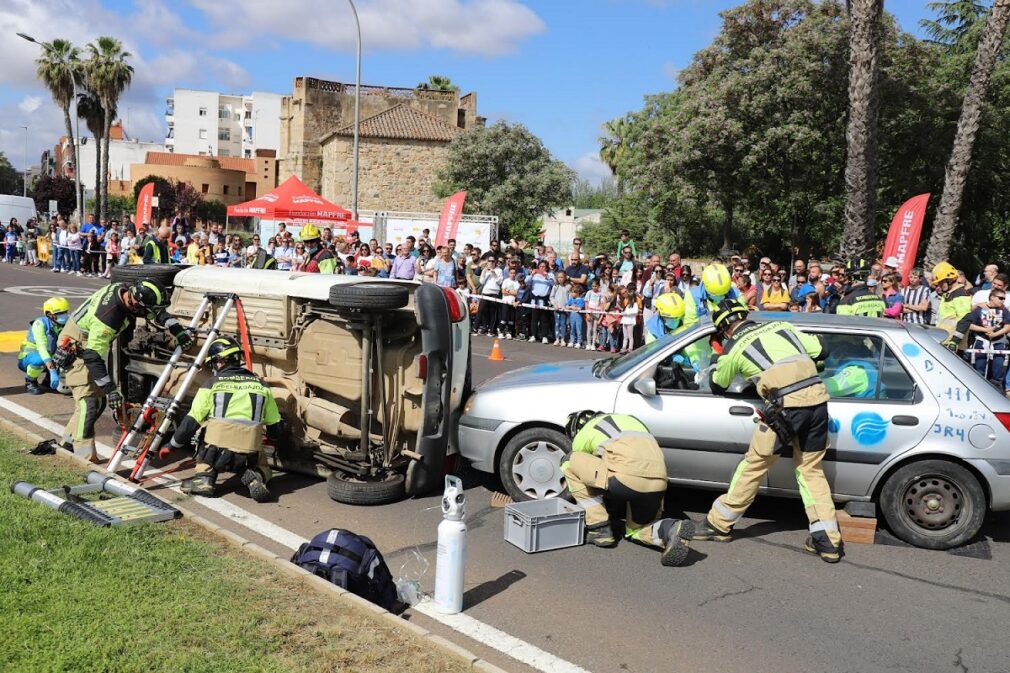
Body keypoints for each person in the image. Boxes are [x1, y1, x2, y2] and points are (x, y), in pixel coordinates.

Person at [693, 301, 844, 563]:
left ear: (724, 332)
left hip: (784, 409)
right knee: (810, 470)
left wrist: (718, 357)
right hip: (818, 404)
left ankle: (719, 524)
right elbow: (822, 349)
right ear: (747, 316)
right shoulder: (783, 326)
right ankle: (827, 539)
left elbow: (718, 384)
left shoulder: (734, 349)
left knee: (755, 464)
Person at [59, 280, 193, 463]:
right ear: (135, 304)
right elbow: (92, 356)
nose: (150, 314)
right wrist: (111, 390)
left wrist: (178, 331)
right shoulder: (107, 318)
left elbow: (157, 312)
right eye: (146, 310)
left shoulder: (129, 289)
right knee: (88, 402)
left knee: (98, 403)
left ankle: (67, 442)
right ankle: (84, 459)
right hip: (79, 342)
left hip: (91, 339)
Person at [560, 411, 696, 566]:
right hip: (659, 484)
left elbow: (587, 471)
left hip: (623, 481)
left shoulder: (584, 432)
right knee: (636, 531)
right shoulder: (633, 422)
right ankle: (670, 529)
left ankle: (599, 529)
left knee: (569, 461)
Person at [172, 336, 282, 502]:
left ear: (219, 362)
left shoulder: (211, 384)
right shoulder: (262, 386)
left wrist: (173, 444)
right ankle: (256, 475)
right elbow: (275, 428)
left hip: (214, 452)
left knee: (205, 426)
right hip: (249, 452)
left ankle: (204, 478)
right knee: (264, 465)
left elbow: (191, 422)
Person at [18, 297, 70, 395]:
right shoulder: (40, 324)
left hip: (50, 357)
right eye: (59, 314)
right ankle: (30, 381)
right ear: (49, 314)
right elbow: (42, 348)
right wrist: (53, 371)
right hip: (29, 358)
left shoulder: (67, 322)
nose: (64, 315)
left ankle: (48, 381)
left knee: (71, 354)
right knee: (40, 360)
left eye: (65, 312)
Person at [966, 288, 1010, 390]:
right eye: (1000, 298)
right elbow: (969, 325)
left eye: (1004, 299)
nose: (1003, 301)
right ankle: (978, 390)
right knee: (979, 367)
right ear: (992, 297)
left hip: (998, 341)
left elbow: (1008, 326)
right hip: (981, 340)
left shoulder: (1004, 311)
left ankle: (996, 390)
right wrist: (983, 329)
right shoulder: (979, 309)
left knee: (998, 367)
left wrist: (995, 334)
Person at [932, 261, 973, 350]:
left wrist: (955, 342)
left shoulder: (960, 295)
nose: (939, 285)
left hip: (953, 345)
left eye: (941, 282)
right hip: (944, 341)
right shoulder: (949, 294)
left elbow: (965, 318)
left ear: (949, 279)